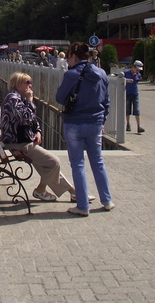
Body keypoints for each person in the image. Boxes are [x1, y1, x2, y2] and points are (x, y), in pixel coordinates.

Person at [56, 42, 114, 216]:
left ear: (74, 57)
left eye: (68, 58)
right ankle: (107, 200)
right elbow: (106, 101)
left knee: (78, 164)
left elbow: (60, 98)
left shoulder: (71, 75)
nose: (68, 62)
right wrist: (101, 120)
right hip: (95, 123)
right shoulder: (101, 73)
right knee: (97, 161)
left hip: (74, 123)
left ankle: (82, 206)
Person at [1, 72, 77, 203]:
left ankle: (74, 193)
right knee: (54, 162)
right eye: (27, 82)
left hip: (23, 140)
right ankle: (40, 190)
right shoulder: (13, 98)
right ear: (18, 84)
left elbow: (33, 120)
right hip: (18, 142)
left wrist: (38, 131)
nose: (30, 85)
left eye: (30, 82)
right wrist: (30, 101)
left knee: (48, 167)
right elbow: (25, 119)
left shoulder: (20, 98)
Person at [125, 60, 145, 134]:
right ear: (133, 67)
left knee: (137, 110)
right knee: (127, 110)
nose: (138, 71)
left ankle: (139, 126)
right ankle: (128, 124)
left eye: (139, 70)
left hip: (135, 94)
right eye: (137, 69)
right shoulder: (126, 73)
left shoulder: (138, 75)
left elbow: (136, 82)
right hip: (127, 94)